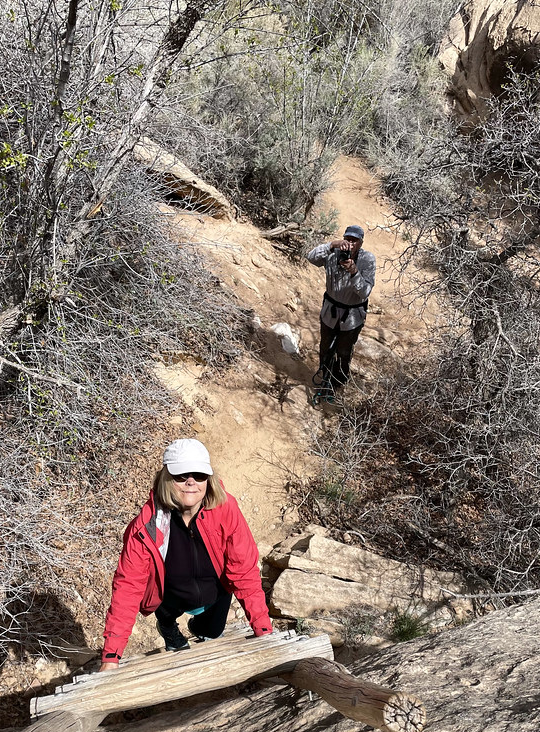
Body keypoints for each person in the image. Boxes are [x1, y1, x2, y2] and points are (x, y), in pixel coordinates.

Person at [100, 438, 273, 669]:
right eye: (181, 475)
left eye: (199, 475)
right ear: (166, 478)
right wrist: (111, 656)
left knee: (212, 631)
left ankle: (199, 628)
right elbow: (128, 586)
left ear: (208, 479)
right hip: (169, 595)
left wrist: (263, 627)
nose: (191, 482)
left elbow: (244, 570)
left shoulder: (225, 510)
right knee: (167, 616)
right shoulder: (147, 526)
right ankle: (169, 628)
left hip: (216, 591)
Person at [307, 224, 376, 401]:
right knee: (325, 346)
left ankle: (338, 382)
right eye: (348, 239)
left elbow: (365, 292)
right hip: (330, 311)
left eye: (355, 241)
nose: (350, 244)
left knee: (344, 351)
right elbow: (311, 258)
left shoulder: (368, 260)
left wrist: (354, 272)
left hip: (352, 316)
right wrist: (331, 245)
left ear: (361, 243)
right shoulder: (333, 253)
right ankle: (324, 375)